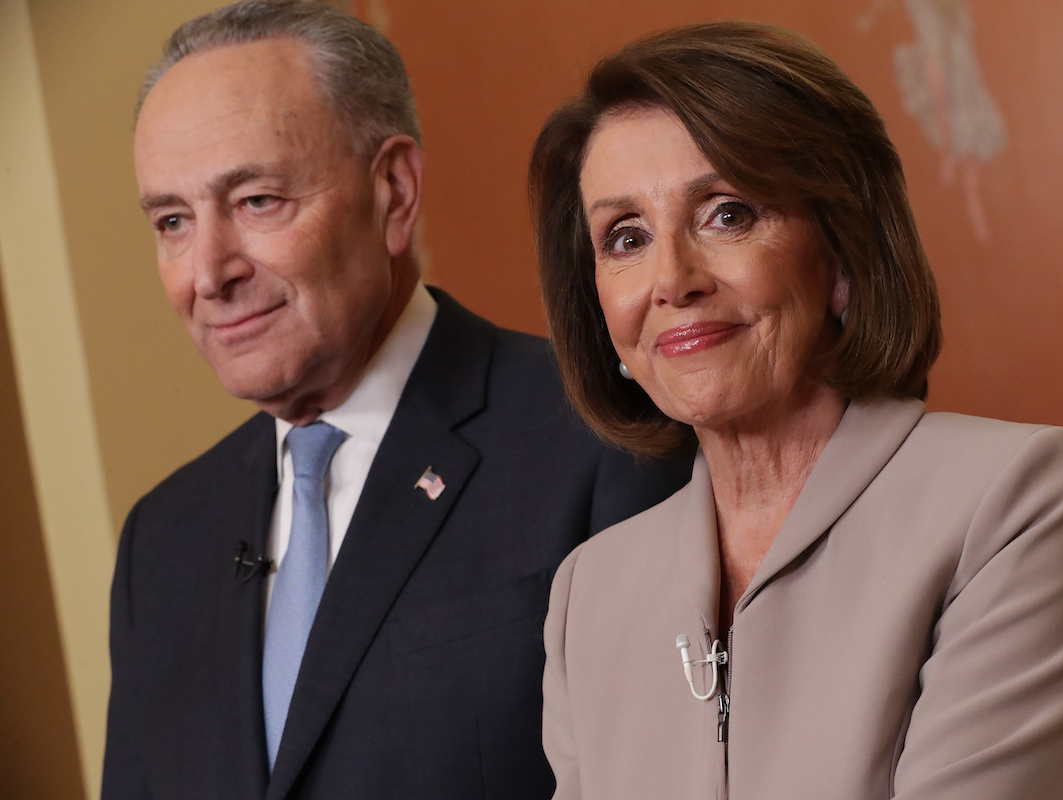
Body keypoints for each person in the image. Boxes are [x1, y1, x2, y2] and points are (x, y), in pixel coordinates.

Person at [529, 20, 1063, 800]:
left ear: (844, 251)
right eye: (625, 237)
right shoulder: (592, 593)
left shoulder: (1025, 502)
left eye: (727, 213)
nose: (670, 278)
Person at [103, 2, 690, 798]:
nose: (209, 272)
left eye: (257, 202)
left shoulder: (601, 436)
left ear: (393, 191)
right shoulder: (160, 543)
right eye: (172, 220)